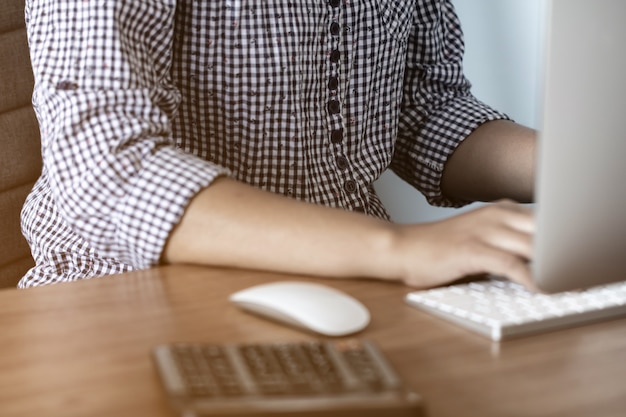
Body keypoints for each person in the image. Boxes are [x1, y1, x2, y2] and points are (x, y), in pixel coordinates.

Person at [19, 0, 536, 289]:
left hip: (351, 278)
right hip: (133, 290)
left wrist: (581, 171)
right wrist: (402, 249)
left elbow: (422, 110)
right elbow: (108, 171)